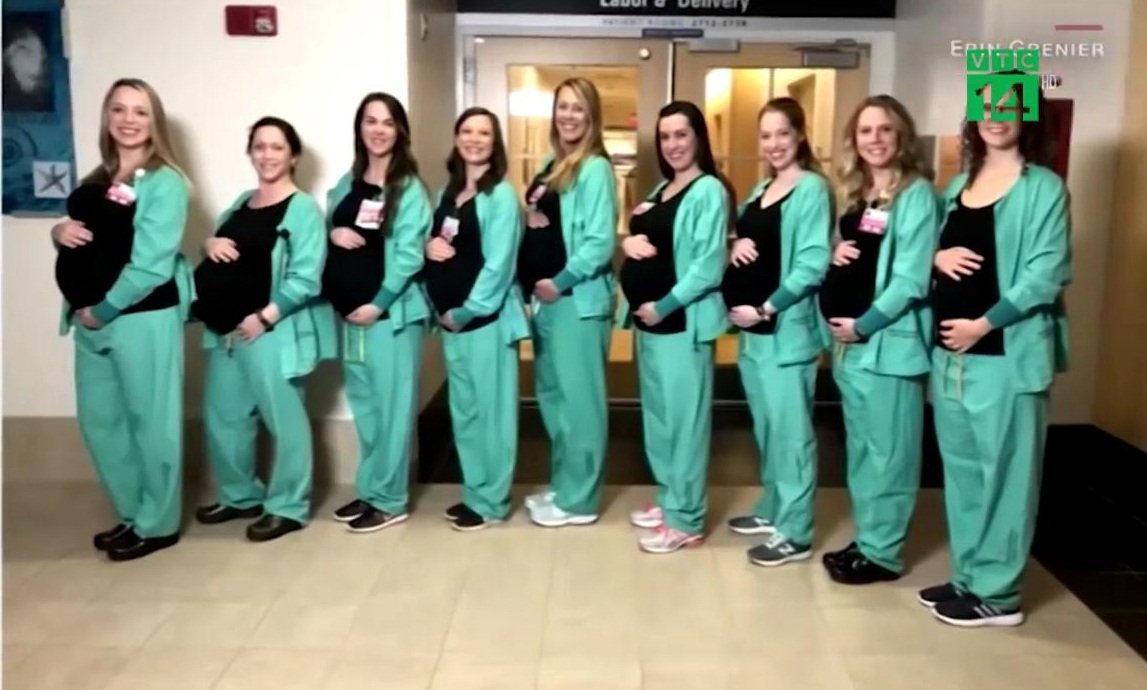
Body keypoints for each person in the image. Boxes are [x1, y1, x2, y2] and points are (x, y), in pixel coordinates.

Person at [921, 78, 1070, 628]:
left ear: (1027, 115)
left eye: (1009, 106)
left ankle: (1000, 594)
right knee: (964, 475)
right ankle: (969, 575)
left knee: (1006, 476)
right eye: (987, 106)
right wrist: (935, 258)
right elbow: (932, 247)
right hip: (952, 359)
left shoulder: (1044, 189)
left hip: (1006, 355)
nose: (996, 115)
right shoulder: (961, 182)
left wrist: (982, 325)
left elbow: (1046, 273)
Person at [50, 77, 191, 561]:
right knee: (102, 422)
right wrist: (57, 231)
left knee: (152, 423)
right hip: (89, 319)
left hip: (140, 317)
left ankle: (158, 524)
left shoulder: (165, 181)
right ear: (106, 117)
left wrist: (105, 309)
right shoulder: (100, 176)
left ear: (155, 121)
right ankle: (133, 513)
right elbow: (88, 236)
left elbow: (152, 264)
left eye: (140, 111)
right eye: (119, 109)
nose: (129, 120)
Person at [191, 116, 335, 543]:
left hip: (271, 330)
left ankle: (288, 506)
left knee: (284, 419)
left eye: (276, 147)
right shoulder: (240, 203)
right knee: (225, 417)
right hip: (226, 331)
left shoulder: (303, 210)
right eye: (259, 146)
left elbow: (306, 278)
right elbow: (219, 249)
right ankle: (240, 496)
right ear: (250, 153)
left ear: (293, 156)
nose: (267, 155)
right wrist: (208, 243)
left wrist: (265, 317)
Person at [817, 95, 940, 584]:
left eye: (885, 129)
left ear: (901, 135)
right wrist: (834, 250)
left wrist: (864, 324)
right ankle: (869, 537)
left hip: (889, 345)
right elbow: (858, 251)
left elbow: (911, 278)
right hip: (850, 349)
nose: (875, 139)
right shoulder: (859, 192)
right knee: (864, 451)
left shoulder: (917, 195)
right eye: (866, 130)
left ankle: (884, 554)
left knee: (891, 454)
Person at [721, 97, 833, 566]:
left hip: (785, 332)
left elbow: (812, 264)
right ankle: (774, 507)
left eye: (782, 133)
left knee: (792, 435)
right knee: (767, 429)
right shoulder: (761, 189)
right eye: (766, 135)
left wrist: (766, 307)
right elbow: (746, 239)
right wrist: (734, 244)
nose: (773, 144)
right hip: (754, 337)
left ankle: (796, 531)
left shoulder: (810, 189)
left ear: (800, 135)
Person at [618, 100, 733, 554]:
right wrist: (629, 241)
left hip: (681, 324)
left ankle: (686, 519)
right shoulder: (662, 188)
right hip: (650, 327)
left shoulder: (707, 191)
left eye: (681, 134)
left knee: (685, 424)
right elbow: (645, 233)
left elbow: (707, 266)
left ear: (698, 137)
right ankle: (669, 500)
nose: (673, 144)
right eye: (665, 137)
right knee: (660, 420)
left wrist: (664, 305)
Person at [322, 93, 432, 533]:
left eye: (387, 122)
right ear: (360, 128)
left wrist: (378, 303)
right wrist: (333, 231)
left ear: (400, 131)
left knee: (392, 410)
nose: (378, 130)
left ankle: (390, 500)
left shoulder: (408, 189)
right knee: (366, 409)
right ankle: (370, 489)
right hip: (350, 319)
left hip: (390, 317)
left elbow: (408, 256)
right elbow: (328, 227)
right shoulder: (347, 183)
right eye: (370, 121)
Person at [518, 77, 618, 528]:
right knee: (554, 399)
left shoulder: (595, 168)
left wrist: (559, 282)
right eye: (563, 106)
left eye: (578, 108)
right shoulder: (551, 163)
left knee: (580, 405)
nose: (569, 116)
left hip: (576, 300)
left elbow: (599, 242)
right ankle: (564, 485)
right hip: (549, 304)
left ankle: (581, 501)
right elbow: (545, 216)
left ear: (592, 115)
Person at [423, 106, 528, 532]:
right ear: (456, 137)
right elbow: (433, 242)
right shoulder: (446, 195)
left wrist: (467, 311)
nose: (474, 139)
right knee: (465, 413)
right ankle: (474, 492)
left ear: (495, 142)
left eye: (484, 133)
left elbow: (499, 264)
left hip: (485, 323)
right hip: (450, 324)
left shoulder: (500, 196)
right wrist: (427, 247)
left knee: (493, 415)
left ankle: (492, 502)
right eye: (467, 131)